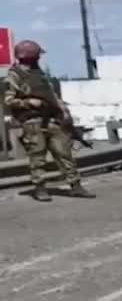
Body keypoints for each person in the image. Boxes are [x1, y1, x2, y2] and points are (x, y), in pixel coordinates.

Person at [3, 40, 93, 201]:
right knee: (37, 157)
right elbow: (8, 101)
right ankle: (40, 188)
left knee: (64, 153)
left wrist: (63, 110)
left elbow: (52, 95)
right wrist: (28, 102)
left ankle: (76, 186)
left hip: (52, 119)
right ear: (30, 56)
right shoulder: (14, 76)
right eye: (37, 55)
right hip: (32, 122)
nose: (39, 58)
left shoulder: (39, 74)